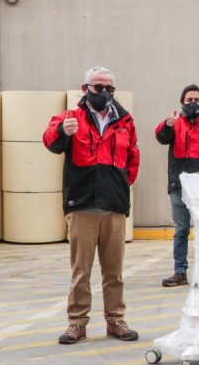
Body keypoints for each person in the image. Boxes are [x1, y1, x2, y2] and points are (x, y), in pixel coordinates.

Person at [43, 66, 141, 344]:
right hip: (82, 204)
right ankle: (77, 322)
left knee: (114, 272)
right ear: (85, 88)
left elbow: (133, 157)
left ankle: (115, 320)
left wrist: (120, 185)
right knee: (81, 270)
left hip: (114, 205)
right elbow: (50, 141)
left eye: (110, 88)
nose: (104, 93)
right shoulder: (70, 117)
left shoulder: (125, 121)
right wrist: (63, 131)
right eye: (99, 87)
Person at [155, 84, 199, 287]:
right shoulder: (174, 124)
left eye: (196, 100)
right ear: (182, 103)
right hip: (179, 186)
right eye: (188, 100)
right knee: (181, 230)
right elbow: (160, 137)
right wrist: (167, 124)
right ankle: (180, 272)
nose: (192, 103)